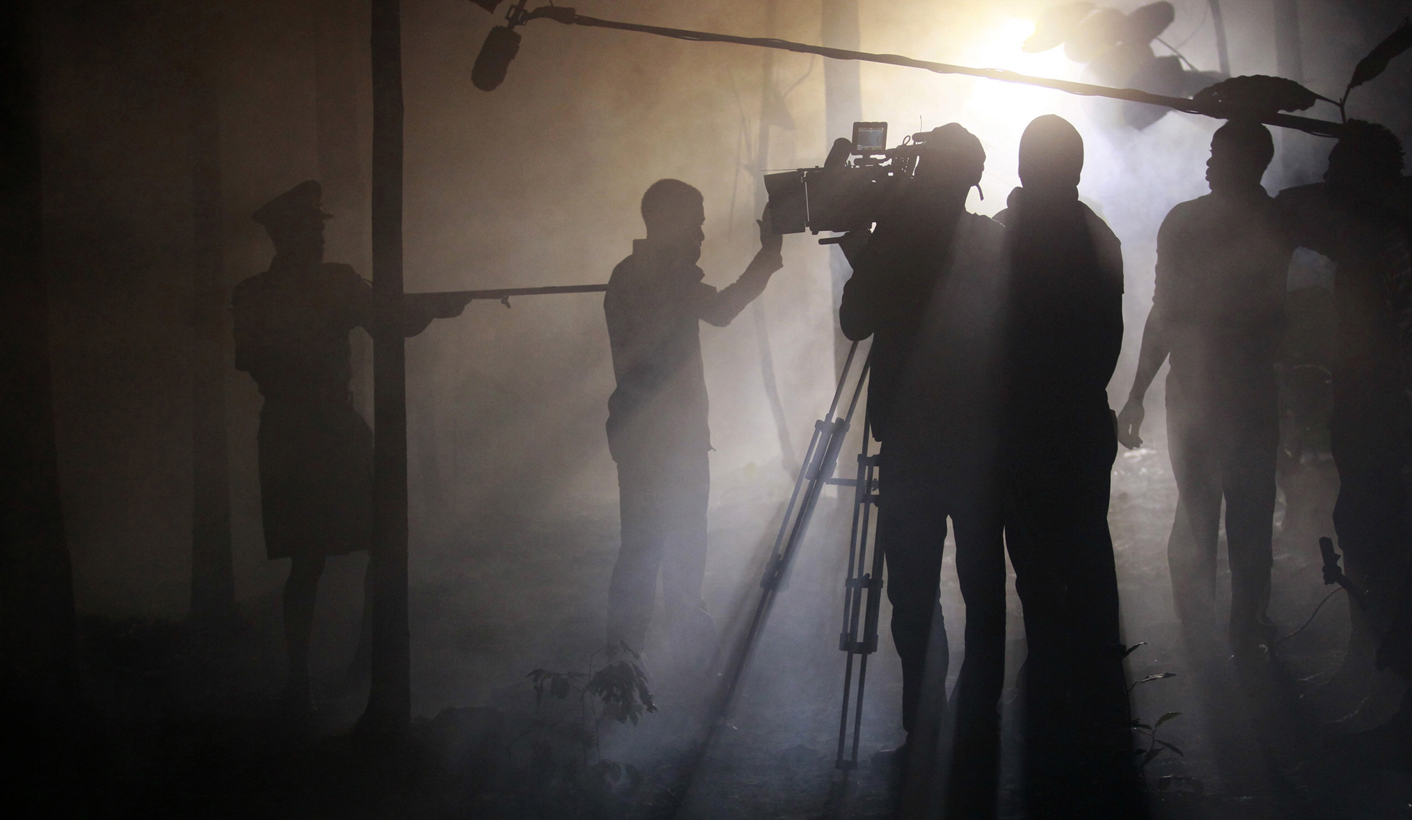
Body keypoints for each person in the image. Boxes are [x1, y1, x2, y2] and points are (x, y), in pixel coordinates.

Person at [232, 180, 465, 713]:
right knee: (361, 546)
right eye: (307, 229)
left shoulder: (255, 292)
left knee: (312, 559)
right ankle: (333, 669)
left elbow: (248, 359)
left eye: (316, 228)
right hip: (328, 429)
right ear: (282, 235)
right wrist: (435, 310)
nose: (316, 237)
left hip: (290, 431)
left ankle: (319, 673)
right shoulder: (332, 284)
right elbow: (393, 323)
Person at [838, 123, 1009, 815]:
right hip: (978, 442)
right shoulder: (991, 240)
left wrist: (865, 244)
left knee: (913, 594)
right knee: (983, 589)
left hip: (912, 441)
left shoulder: (901, 240)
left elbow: (856, 320)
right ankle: (976, 733)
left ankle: (924, 729)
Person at [995, 115, 1144, 819]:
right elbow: (1107, 339)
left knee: (1035, 555)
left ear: (1024, 168)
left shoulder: (1005, 237)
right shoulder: (1099, 237)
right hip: (1081, 417)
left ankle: (1053, 682)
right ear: (1076, 170)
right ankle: (1094, 690)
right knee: (1083, 546)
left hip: (1025, 421)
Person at [1116, 121, 1293, 655]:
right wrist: (1138, 393)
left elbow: (1167, 312)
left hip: (1223, 392)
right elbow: (1167, 312)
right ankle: (1230, 632)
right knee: (1237, 513)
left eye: (1221, 154)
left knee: (1220, 514)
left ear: (1252, 162)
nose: (1209, 163)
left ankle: (1221, 637)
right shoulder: (1273, 220)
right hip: (1223, 393)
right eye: (1211, 153)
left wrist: (1139, 393)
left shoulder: (1208, 222)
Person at [603, 180, 784, 674]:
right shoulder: (660, 278)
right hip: (667, 442)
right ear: (671, 222)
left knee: (647, 548)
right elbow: (723, 310)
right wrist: (768, 255)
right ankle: (673, 672)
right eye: (697, 221)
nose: (703, 232)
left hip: (646, 438)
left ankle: (625, 673)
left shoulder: (636, 274)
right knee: (674, 552)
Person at [1279, 122, 1412, 711]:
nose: (1328, 183)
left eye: (1340, 174)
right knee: (1367, 535)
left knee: (1382, 544)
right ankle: (1372, 676)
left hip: (1389, 419)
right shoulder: (1373, 232)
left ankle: (1389, 692)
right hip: (1370, 414)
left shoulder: (1386, 239)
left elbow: (1292, 210)